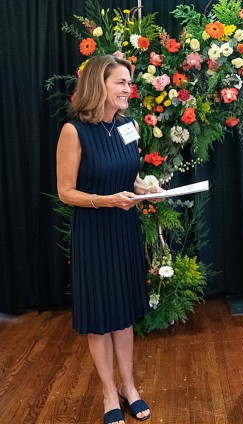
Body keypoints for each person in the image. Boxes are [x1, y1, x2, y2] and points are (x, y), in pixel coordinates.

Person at [56, 55, 159, 424]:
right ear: (99, 85)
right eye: (121, 83)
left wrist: (145, 187)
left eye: (129, 83)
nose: (128, 89)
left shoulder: (128, 125)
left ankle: (129, 387)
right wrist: (106, 200)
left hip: (123, 230)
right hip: (94, 233)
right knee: (101, 316)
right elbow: (66, 191)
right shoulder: (73, 131)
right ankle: (106, 391)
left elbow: (127, 175)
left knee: (123, 316)